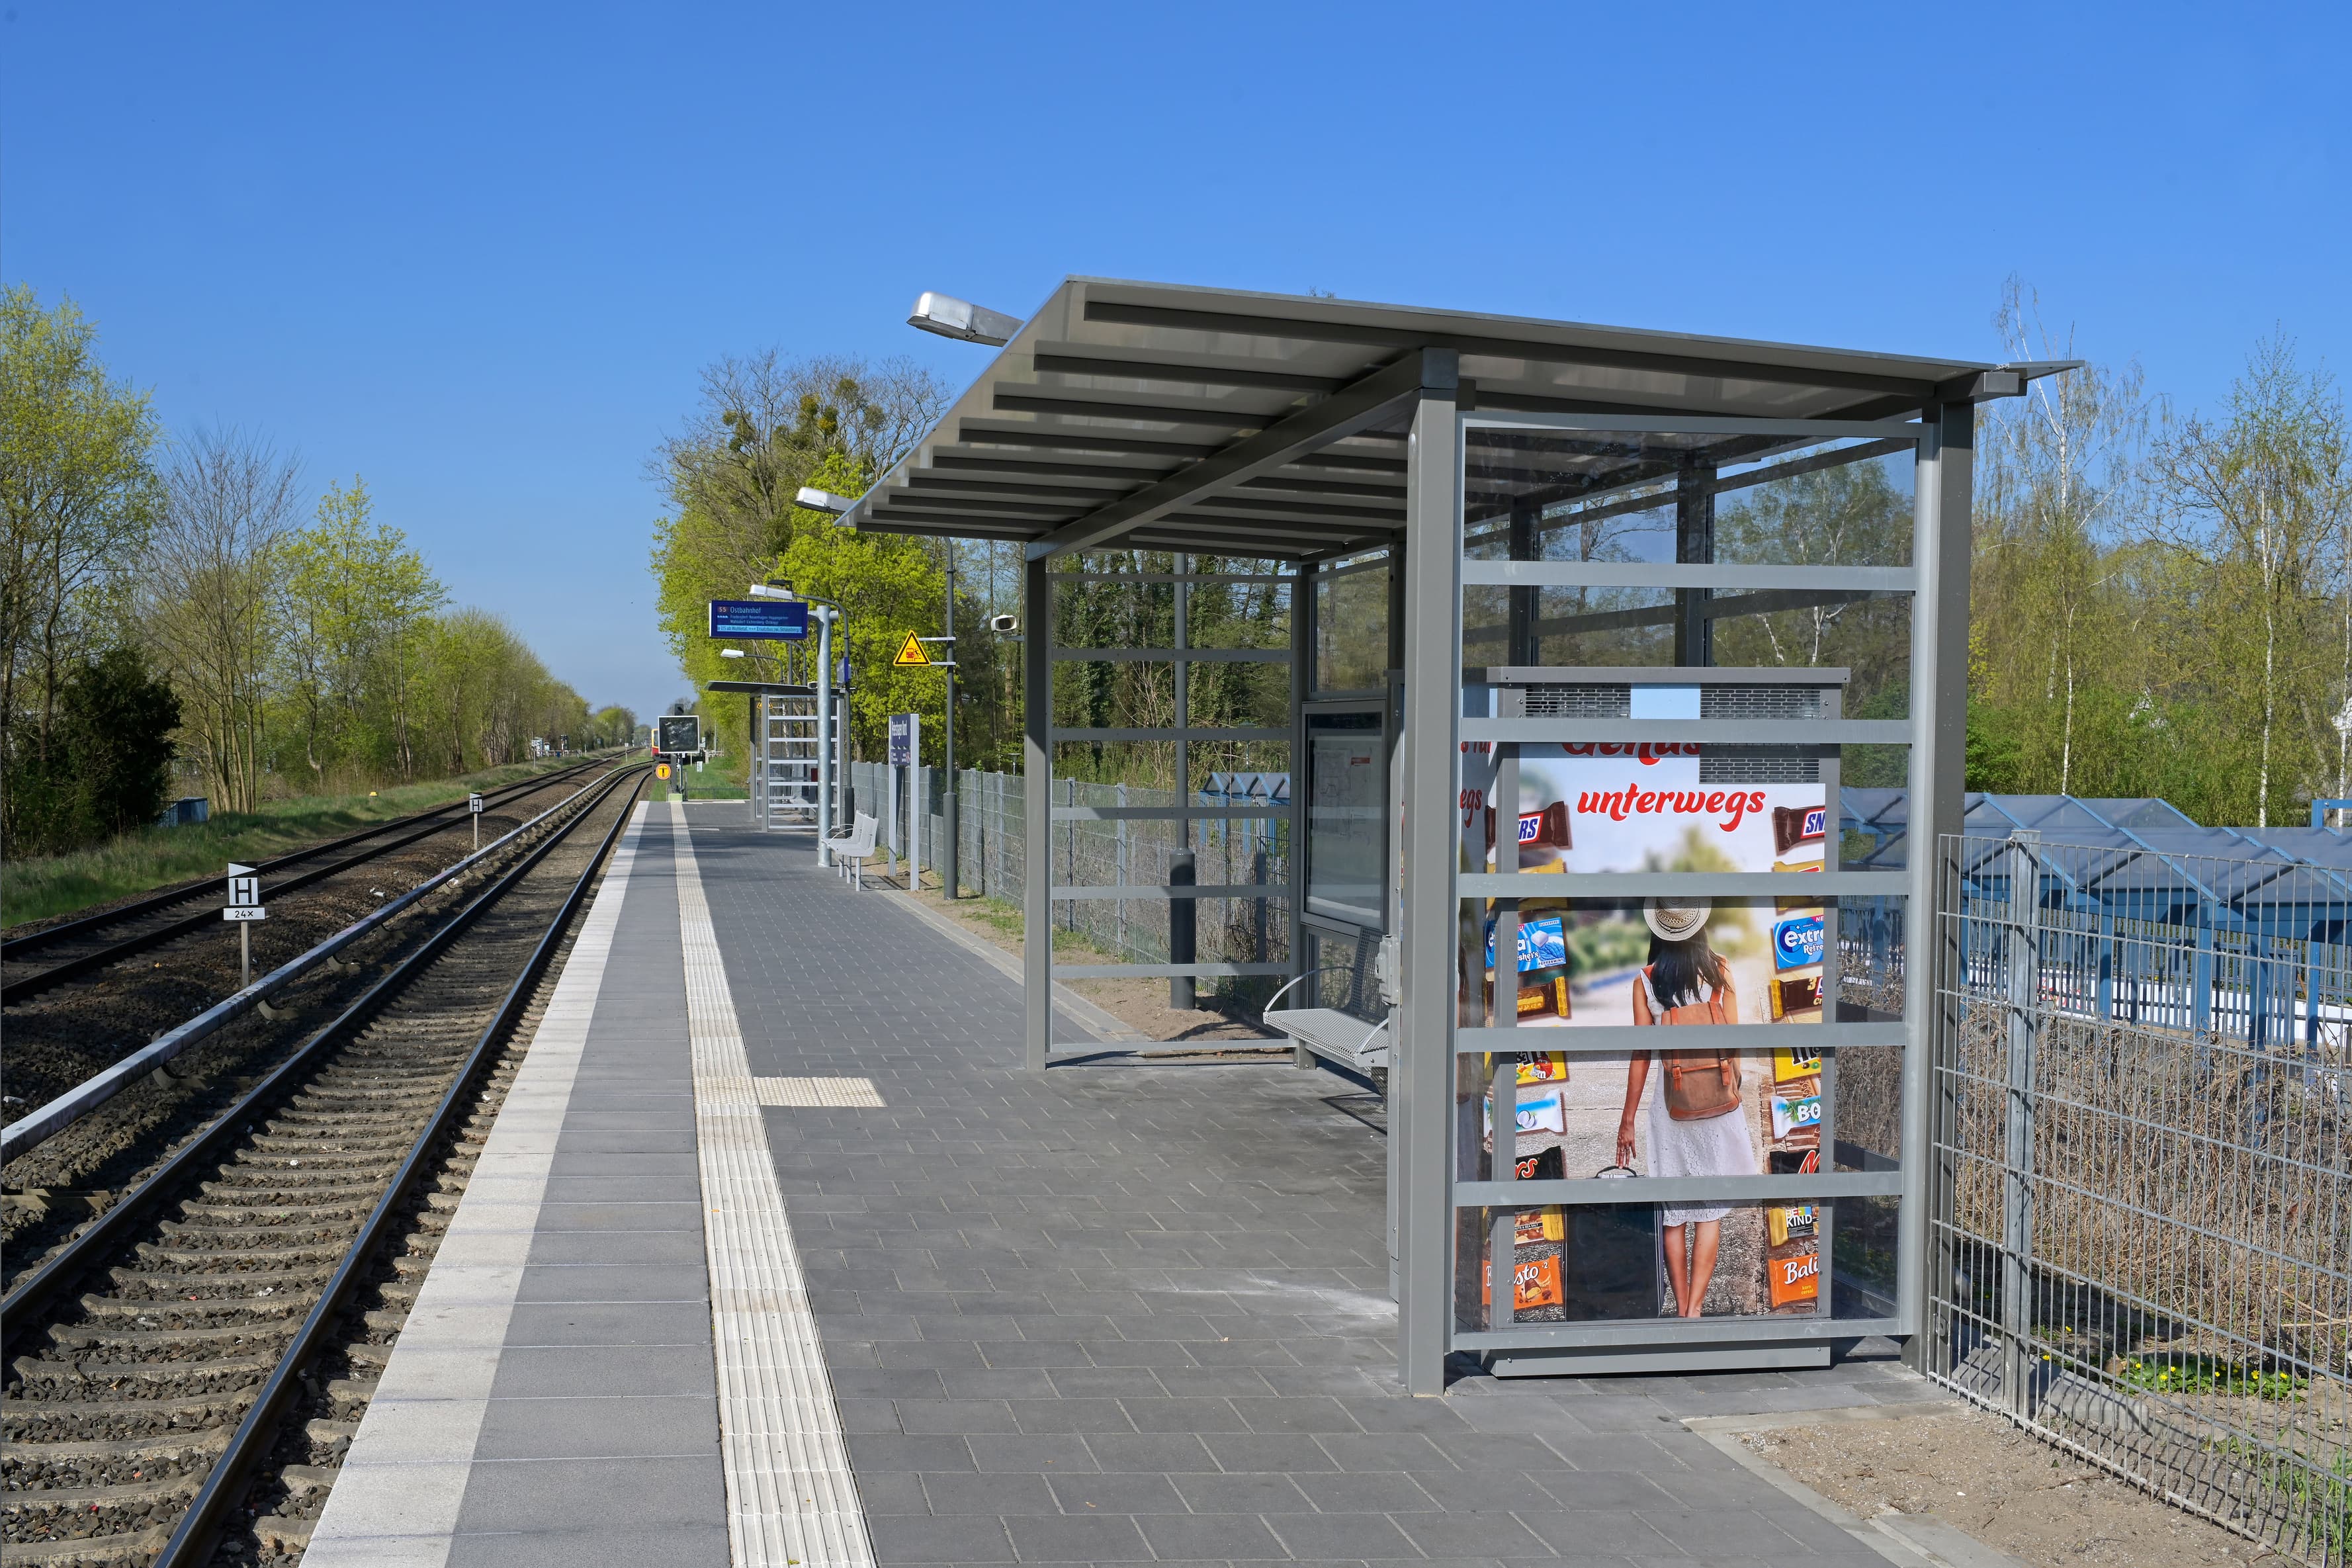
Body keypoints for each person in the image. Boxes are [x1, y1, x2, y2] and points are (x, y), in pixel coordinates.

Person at [1615, 897, 1747, 1317]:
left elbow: (1642, 1055)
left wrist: (1627, 1120)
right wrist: (1731, 1086)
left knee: (1674, 1212)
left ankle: (1679, 1312)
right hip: (1717, 1102)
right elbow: (1735, 1041)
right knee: (1709, 1208)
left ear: (1658, 930)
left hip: (1669, 1107)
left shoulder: (1646, 981)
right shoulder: (1719, 970)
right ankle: (1694, 1311)